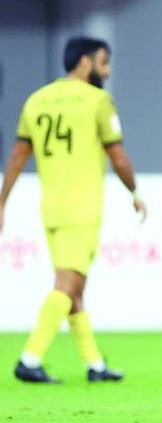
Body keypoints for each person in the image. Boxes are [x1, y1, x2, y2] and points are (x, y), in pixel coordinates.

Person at [3, 37, 147, 384]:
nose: (107, 70)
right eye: (103, 62)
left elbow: (18, 157)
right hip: (82, 207)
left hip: (50, 207)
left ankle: (94, 364)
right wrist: (135, 191)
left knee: (74, 289)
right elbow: (118, 155)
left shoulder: (37, 100)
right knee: (67, 285)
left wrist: (3, 200)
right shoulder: (98, 101)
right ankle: (30, 357)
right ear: (84, 62)